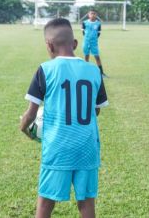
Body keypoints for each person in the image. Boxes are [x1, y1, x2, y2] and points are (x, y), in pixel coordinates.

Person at [20, 18, 108, 218]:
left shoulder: (45, 69)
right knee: (86, 203)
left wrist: (24, 128)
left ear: (48, 45)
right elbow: (96, 111)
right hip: (87, 148)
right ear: (75, 43)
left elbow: (31, 113)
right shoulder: (94, 71)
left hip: (58, 149)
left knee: (45, 203)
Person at [82, 10, 108, 78]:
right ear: (88, 15)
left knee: (97, 57)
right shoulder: (84, 22)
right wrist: (87, 38)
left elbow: (99, 33)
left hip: (94, 43)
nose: (93, 15)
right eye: (91, 13)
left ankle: (101, 73)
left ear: (96, 15)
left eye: (94, 14)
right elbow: (83, 32)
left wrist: (94, 39)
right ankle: (85, 73)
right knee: (86, 56)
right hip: (86, 42)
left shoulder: (98, 23)